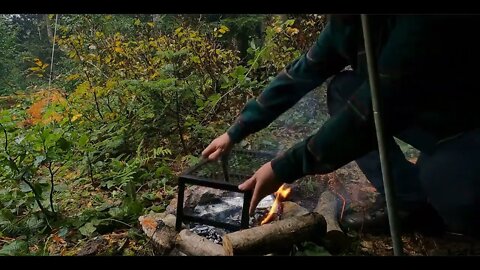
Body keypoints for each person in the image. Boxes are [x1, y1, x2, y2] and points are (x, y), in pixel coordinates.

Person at [202, 15, 480, 237]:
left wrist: (282, 167)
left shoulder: (421, 24)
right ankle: (407, 203)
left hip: (465, 125)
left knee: (446, 191)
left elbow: (365, 115)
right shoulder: (346, 22)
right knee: (343, 89)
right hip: (424, 111)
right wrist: (234, 132)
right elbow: (299, 75)